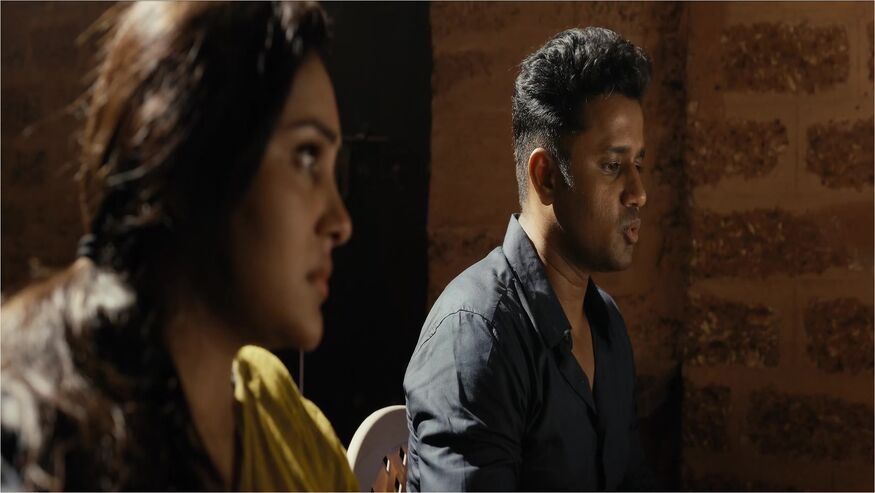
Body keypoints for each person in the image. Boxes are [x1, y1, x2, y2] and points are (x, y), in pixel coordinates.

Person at [0, 2, 358, 490]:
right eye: (307, 156)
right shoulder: (34, 431)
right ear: (189, 156)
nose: (340, 222)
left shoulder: (289, 427)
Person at [404, 27, 656, 491]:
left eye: (638, 164)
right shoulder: (476, 337)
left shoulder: (606, 323)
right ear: (546, 176)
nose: (638, 192)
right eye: (612, 165)